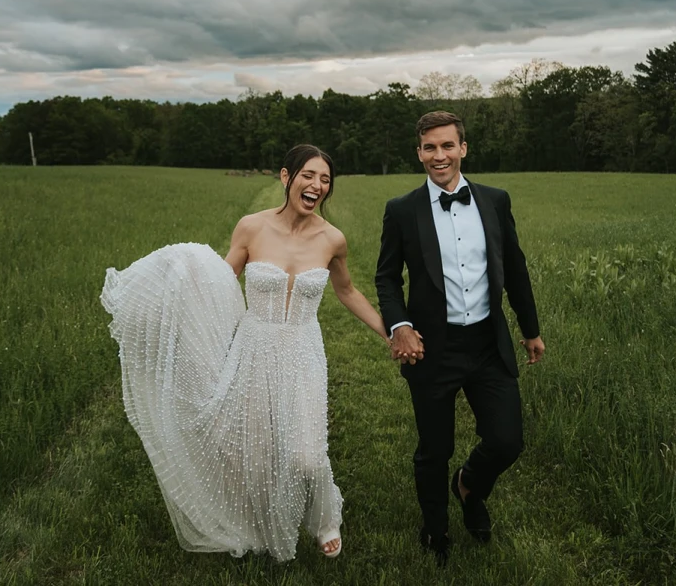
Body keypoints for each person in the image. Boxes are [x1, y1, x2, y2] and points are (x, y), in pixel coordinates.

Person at [101, 144, 388, 562]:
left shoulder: (332, 239)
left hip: (304, 350)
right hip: (254, 347)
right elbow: (220, 280)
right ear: (286, 177)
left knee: (307, 455)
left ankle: (325, 518)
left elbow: (346, 290)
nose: (317, 185)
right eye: (309, 175)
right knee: (257, 448)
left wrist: (389, 331)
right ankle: (258, 520)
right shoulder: (251, 229)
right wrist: (182, 280)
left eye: (325, 179)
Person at [375, 111, 545, 565]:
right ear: (419, 153)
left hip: (488, 344)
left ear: (463, 149)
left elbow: (515, 268)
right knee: (435, 449)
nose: (439, 155)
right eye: (430, 147)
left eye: (447, 146)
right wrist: (400, 325)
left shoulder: (495, 200)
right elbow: (387, 279)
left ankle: (469, 486)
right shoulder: (402, 210)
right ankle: (436, 531)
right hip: (433, 349)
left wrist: (530, 329)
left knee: (507, 441)